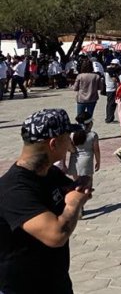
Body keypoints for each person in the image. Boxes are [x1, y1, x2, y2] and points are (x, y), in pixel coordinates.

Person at [0, 109, 90, 293]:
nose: (70, 143)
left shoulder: (50, 173)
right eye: (67, 138)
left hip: (56, 281)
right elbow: (56, 235)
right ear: (53, 144)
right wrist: (74, 203)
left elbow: (72, 190)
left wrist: (82, 185)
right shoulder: (14, 190)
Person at [68, 112, 100, 194]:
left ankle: (77, 199)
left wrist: (74, 151)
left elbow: (70, 148)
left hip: (74, 161)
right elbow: (96, 150)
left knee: (77, 185)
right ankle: (84, 197)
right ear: (90, 124)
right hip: (87, 161)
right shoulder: (93, 135)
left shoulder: (72, 134)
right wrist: (98, 161)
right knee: (87, 186)